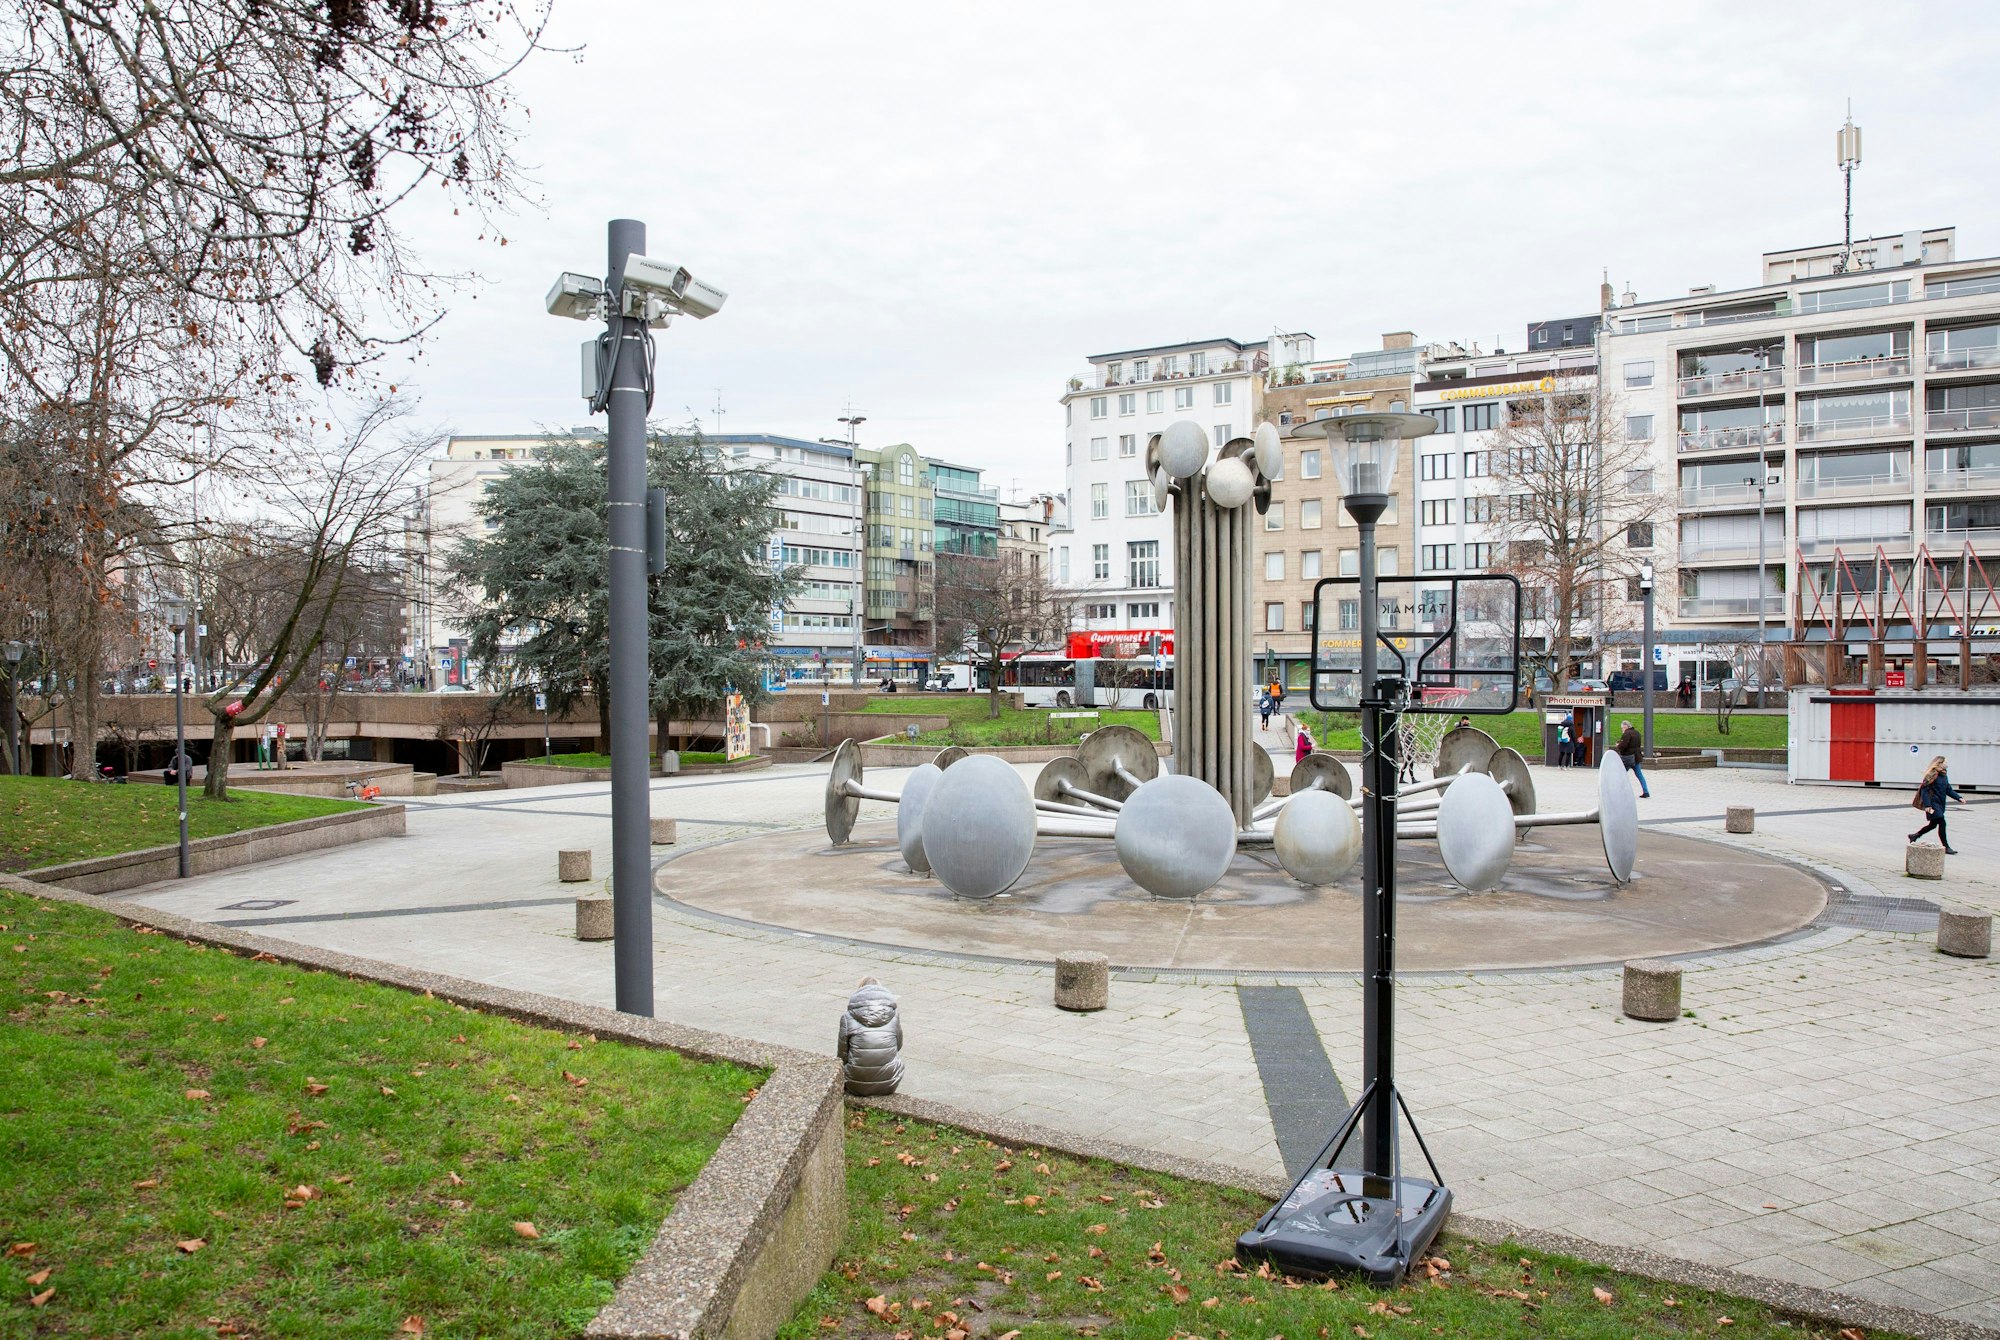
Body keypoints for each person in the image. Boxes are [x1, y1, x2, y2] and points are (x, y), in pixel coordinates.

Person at [1909, 755, 1965, 854]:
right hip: (1932, 804)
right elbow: (1924, 791)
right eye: (1945, 762)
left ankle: (1915, 835)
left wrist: (1959, 797)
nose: (1947, 764)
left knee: (1933, 825)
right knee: (1942, 822)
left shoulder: (1944, 775)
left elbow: (1948, 789)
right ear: (1940, 763)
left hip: (1940, 803)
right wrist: (1927, 805)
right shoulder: (1932, 774)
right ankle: (1946, 847)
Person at [1614, 719, 1650, 799]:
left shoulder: (1626, 734)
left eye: (1622, 728)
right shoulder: (1637, 733)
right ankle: (1646, 791)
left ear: (1625, 726)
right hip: (1636, 757)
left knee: (1621, 774)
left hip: (1628, 758)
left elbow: (1623, 746)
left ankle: (1618, 792)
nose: (1622, 729)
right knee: (1640, 775)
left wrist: (1618, 745)